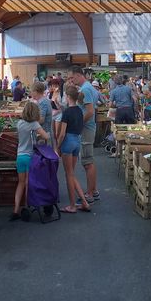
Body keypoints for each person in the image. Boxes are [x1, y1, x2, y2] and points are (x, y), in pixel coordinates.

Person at [11, 101, 49, 221]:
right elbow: (46, 136)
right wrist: (39, 136)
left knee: (20, 183)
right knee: (29, 183)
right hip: (29, 156)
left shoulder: (20, 123)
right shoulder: (34, 124)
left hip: (20, 156)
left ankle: (16, 209)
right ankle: (27, 207)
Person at [56, 85, 92, 214]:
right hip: (77, 141)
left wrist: (57, 147)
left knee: (68, 174)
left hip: (68, 142)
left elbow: (61, 134)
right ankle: (83, 201)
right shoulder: (79, 111)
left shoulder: (67, 112)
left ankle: (72, 205)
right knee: (72, 174)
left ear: (68, 96)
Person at [69, 65, 99, 204]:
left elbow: (90, 111)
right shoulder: (89, 88)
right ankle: (94, 190)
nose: (71, 80)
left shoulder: (86, 89)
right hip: (89, 127)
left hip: (86, 128)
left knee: (87, 162)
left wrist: (79, 124)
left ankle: (90, 193)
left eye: (72, 77)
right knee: (89, 161)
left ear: (78, 75)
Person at [30, 81, 53, 148]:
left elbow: (41, 120)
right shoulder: (42, 101)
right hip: (42, 133)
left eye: (32, 91)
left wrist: (29, 121)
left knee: (42, 154)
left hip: (42, 134)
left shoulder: (43, 103)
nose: (31, 94)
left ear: (36, 91)